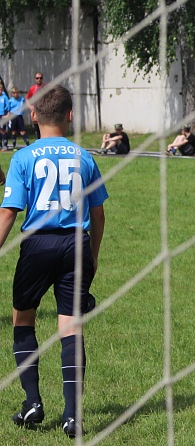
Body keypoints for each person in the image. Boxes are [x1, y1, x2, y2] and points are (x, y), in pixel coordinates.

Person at [0, 85, 108, 438]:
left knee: (23, 318)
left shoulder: (23, 157)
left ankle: (32, 402)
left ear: (33, 115)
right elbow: (98, 214)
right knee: (70, 327)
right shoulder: (85, 157)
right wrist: (91, 258)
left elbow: (8, 214)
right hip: (76, 244)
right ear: (70, 116)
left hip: (37, 244)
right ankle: (72, 416)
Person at [26, 73, 45, 140]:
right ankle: (38, 140)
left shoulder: (46, 86)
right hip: (36, 110)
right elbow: (27, 98)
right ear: (35, 79)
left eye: (40, 78)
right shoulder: (32, 88)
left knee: (44, 126)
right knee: (37, 127)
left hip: (44, 110)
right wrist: (30, 106)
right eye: (37, 78)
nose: (39, 79)